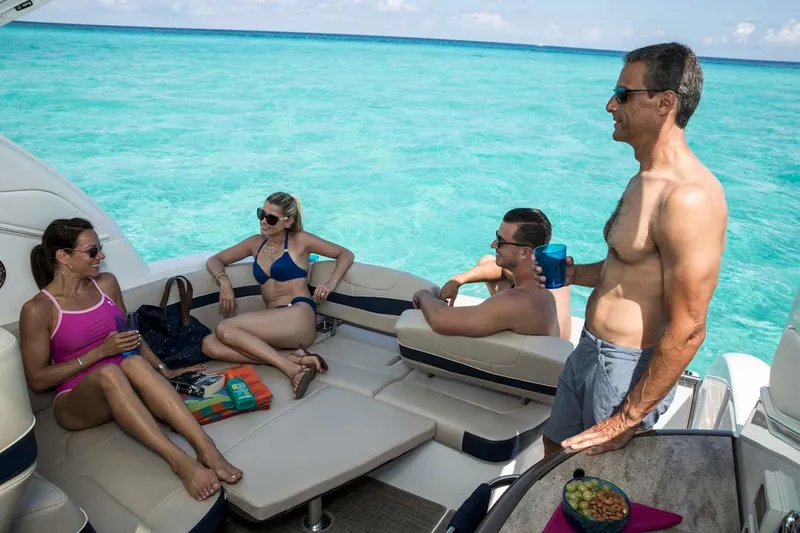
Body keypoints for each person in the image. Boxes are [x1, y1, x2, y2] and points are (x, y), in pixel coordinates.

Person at [539, 43, 728, 457]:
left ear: (665, 103)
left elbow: (690, 327)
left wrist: (626, 418)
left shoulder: (688, 198)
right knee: (553, 448)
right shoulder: (644, 179)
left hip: (624, 369)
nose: (610, 105)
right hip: (589, 349)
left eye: (624, 94)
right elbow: (624, 266)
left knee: (596, 483)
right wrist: (574, 275)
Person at [19, 218, 242, 502]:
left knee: (132, 363)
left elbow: (131, 336)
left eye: (99, 249)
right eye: (91, 251)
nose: (100, 256)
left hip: (125, 381)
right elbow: (37, 379)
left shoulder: (106, 284)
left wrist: (165, 370)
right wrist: (98, 353)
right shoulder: (38, 309)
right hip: (77, 401)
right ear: (62, 256)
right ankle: (179, 461)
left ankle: (205, 446)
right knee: (110, 372)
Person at [201, 192, 355, 399]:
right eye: (261, 214)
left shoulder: (301, 240)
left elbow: (345, 254)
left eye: (271, 218)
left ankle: (291, 369)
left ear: (288, 221)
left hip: (298, 314)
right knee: (209, 344)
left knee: (225, 328)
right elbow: (215, 260)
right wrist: (224, 281)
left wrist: (330, 283)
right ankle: (297, 359)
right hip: (274, 321)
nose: (264, 221)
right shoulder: (255, 243)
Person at [412, 208, 564, 338]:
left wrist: (423, 295)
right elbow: (498, 268)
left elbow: (440, 321)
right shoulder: (547, 277)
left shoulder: (516, 302)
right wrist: (457, 281)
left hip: (512, 370)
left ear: (524, 252)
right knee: (486, 261)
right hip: (551, 351)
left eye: (500, 241)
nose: (493, 244)